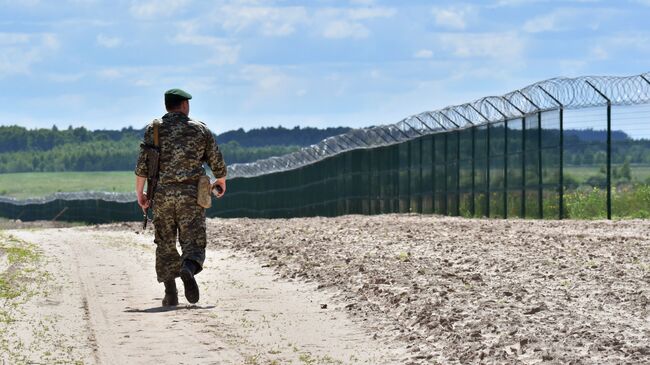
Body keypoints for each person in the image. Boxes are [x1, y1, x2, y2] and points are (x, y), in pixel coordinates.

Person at [134, 88, 227, 306]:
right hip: (191, 197)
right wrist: (221, 181)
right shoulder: (200, 130)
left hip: (162, 196)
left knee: (165, 243)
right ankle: (188, 268)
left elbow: (142, 168)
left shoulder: (153, 130)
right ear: (185, 105)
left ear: (167, 105)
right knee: (193, 242)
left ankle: (170, 294)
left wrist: (141, 194)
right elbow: (218, 164)